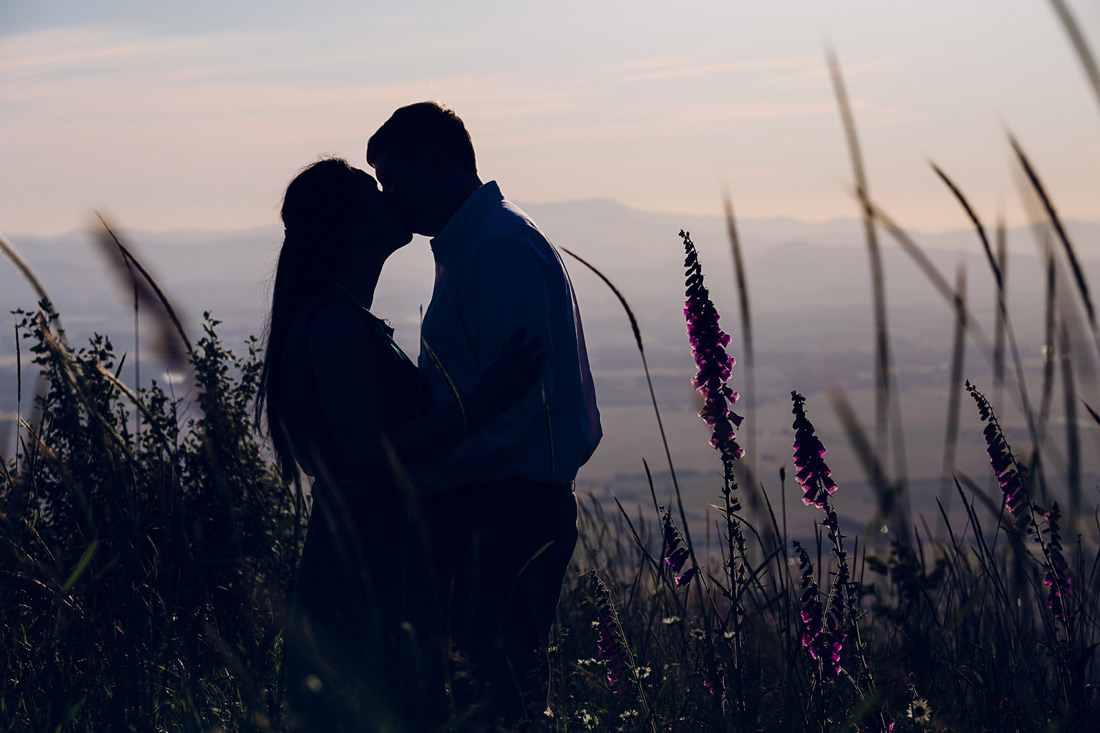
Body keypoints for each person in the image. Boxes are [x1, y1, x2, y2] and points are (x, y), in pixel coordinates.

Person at [254, 157, 544, 731]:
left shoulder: (326, 317)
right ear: (355, 229)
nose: (393, 197)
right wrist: (482, 404)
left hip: (359, 555)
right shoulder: (337, 324)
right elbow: (368, 453)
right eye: (375, 193)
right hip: (370, 563)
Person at [367, 102, 602, 728]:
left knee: (501, 702)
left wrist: (428, 475)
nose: (392, 201)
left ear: (436, 163)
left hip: (508, 509)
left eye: (394, 180)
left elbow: (522, 408)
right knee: (492, 696)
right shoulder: (478, 242)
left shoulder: (496, 248)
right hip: (496, 506)